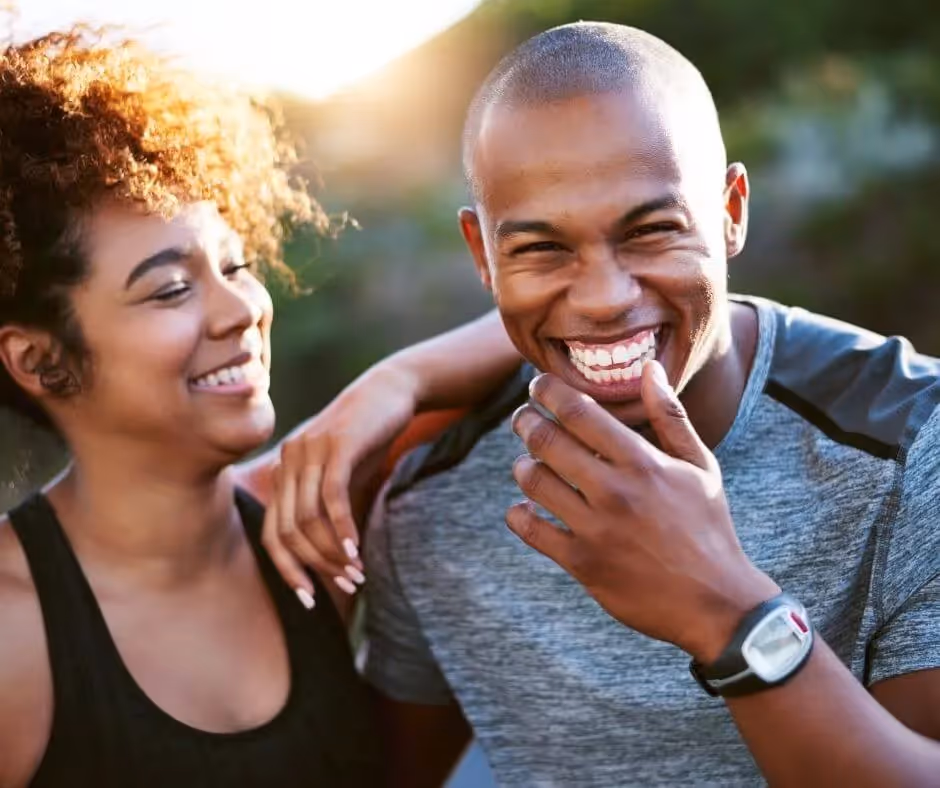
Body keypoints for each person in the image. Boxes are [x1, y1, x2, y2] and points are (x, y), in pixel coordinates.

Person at [265, 22, 940, 787]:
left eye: (651, 231)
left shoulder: (912, 443)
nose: (605, 299)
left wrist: (728, 613)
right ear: (483, 257)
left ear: (731, 210)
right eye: (543, 249)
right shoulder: (433, 505)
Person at [0, 25, 519, 787]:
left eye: (235, 265)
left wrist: (394, 384)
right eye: (170, 288)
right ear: (39, 360)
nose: (240, 309)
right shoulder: (15, 628)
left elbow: (544, 318)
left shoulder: (309, 521)